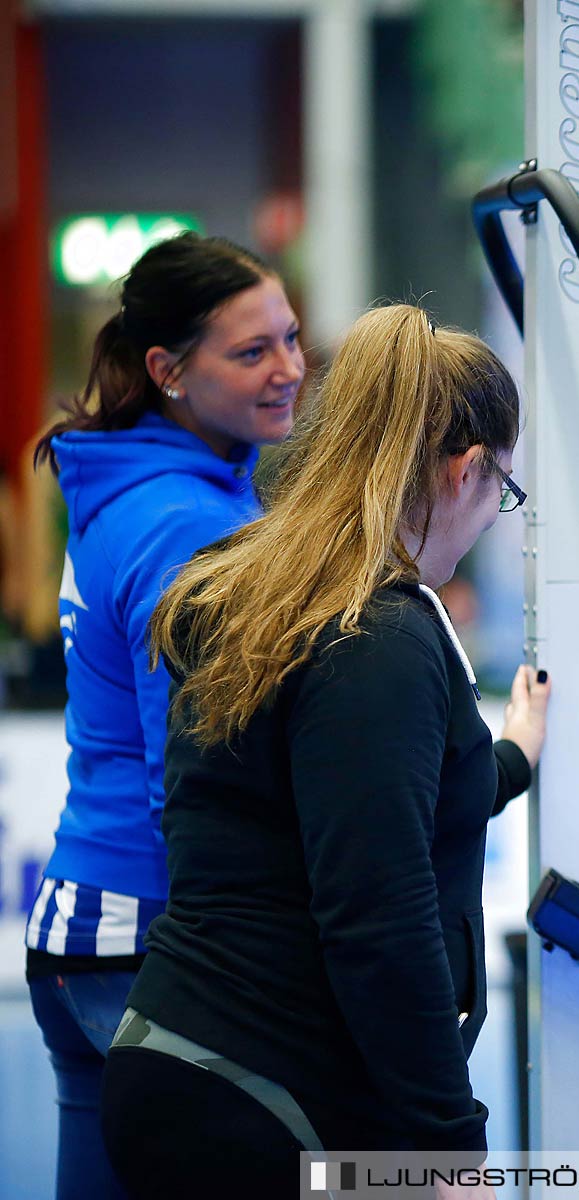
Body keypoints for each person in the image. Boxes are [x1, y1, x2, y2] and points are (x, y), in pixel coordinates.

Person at [97, 304, 548, 1199]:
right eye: (506, 488)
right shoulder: (377, 637)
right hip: (264, 1095)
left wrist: (511, 760)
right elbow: (378, 912)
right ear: (467, 472)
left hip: (197, 1064)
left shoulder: (268, 588)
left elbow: (342, 799)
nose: (498, 514)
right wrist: (449, 1147)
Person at [24, 233, 302, 1200]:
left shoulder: (133, 489)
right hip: (152, 943)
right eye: (252, 351)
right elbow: (187, 769)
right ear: (168, 371)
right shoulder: (187, 521)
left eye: (291, 338)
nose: (289, 370)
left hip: (86, 932)